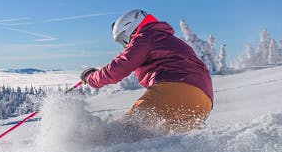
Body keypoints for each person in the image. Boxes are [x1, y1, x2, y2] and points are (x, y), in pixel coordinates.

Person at [80, 9, 213, 134]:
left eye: (123, 39)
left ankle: (89, 151)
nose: (126, 44)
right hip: (203, 101)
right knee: (159, 140)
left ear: (131, 28)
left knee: (122, 132)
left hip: (176, 89)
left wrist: (91, 77)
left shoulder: (146, 36)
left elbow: (118, 68)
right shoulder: (163, 37)